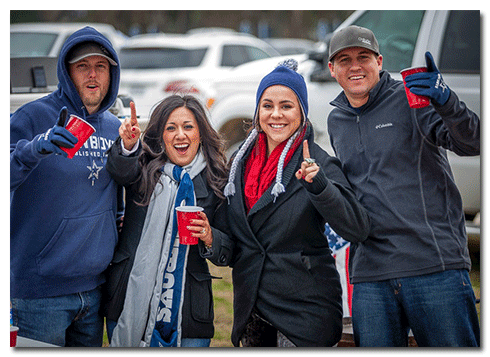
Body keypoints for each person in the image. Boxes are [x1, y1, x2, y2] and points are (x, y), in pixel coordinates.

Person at [327, 25, 480, 347]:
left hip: (432, 264)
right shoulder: (336, 119)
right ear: (332, 69)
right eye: (344, 60)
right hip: (370, 274)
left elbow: (472, 143)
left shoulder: (413, 99)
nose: (355, 66)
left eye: (363, 57)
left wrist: (447, 101)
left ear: (379, 61)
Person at [215, 59, 370, 347]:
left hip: (305, 314)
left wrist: (320, 185)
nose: (276, 115)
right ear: (257, 110)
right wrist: (210, 238)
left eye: (286, 106)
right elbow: (234, 244)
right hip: (252, 310)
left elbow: (357, 227)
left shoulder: (318, 162)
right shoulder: (239, 163)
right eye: (268, 105)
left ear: (302, 112)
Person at [10, 26, 124, 347]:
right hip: (39, 294)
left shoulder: (114, 127)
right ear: (66, 71)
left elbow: (116, 188)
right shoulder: (33, 116)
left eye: (100, 66)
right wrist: (37, 147)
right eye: (82, 66)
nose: (92, 74)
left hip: (93, 290)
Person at [103, 95, 231, 347]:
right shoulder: (143, 168)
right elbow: (120, 170)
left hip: (190, 312)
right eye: (171, 128)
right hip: (129, 299)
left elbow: (229, 249)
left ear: (201, 134)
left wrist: (209, 236)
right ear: (160, 136)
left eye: (188, 127)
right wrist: (128, 145)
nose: (180, 135)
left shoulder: (217, 180)